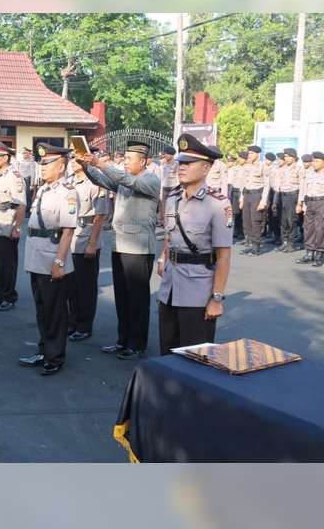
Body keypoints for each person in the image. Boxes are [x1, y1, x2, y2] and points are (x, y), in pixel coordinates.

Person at [79, 140, 161, 360]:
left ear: (143, 161)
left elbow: (123, 178)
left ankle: (137, 344)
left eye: (129, 159)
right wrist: (88, 167)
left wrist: (100, 163)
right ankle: (123, 340)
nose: (125, 162)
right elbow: (104, 181)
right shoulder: (125, 179)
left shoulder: (150, 179)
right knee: (123, 297)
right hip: (121, 245)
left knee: (137, 298)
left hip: (138, 248)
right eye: (124, 158)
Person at [156, 134, 232, 355]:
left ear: (206, 168)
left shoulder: (217, 204)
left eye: (189, 163)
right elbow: (170, 236)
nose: (182, 167)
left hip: (198, 291)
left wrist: (216, 298)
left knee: (195, 355)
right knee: (167, 350)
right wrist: (162, 257)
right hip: (170, 287)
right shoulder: (173, 198)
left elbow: (224, 256)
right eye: (181, 162)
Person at [17, 144, 78, 375]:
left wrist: (59, 262)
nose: (42, 168)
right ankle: (44, 350)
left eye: (48, 164)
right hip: (36, 256)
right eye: (41, 164)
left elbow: (67, 231)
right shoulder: (44, 190)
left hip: (52, 257)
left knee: (55, 310)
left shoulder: (67, 192)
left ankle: (55, 356)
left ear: (61, 167)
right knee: (42, 308)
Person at [66, 153, 110, 342]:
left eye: (76, 158)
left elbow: (100, 216)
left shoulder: (96, 183)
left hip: (86, 238)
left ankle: (84, 325)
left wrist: (93, 243)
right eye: (71, 158)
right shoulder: (69, 182)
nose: (72, 161)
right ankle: (72, 321)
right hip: (70, 238)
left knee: (86, 286)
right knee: (71, 286)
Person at [0, 140, 26, 312]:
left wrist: (17, 227)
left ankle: (9, 296)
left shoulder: (14, 177)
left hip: (7, 226)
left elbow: (21, 205)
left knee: (6, 264)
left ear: (5, 158)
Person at [239, 145, 270, 256]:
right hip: (247, 195)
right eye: (249, 153)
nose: (249, 155)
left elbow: (267, 185)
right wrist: (241, 199)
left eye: (252, 153)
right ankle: (251, 244)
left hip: (257, 195)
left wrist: (263, 201)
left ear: (258, 154)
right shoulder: (246, 166)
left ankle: (257, 246)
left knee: (255, 221)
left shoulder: (263, 166)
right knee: (246, 221)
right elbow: (243, 184)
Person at [295, 151, 324, 266]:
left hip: (321, 202)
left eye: (317, 161)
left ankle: (319, 254)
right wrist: (301, 203)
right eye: (313, 161)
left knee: (320, 228)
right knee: (308, 228)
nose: (314, 163)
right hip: (309, 202)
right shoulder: (309, 173)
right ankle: (309, 253)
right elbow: (303, 189)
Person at [276, 148, 302, 252]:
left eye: (288, 156)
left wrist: (300, 202)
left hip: (293, 195)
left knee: (292, 220)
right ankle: (284, 241)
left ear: (294, 157)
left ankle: (291, 243)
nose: (286, 158)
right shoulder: (282, 169)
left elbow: (302, 186)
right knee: (283, 220)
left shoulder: (299, 169)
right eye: (285, 156)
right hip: (283, 195)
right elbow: (278, 185)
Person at [159, 145, 179, 225]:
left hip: (173, 188)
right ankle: (165, 223)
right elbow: (161, 177)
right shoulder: (163, 164)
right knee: (163, 207)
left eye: (166, 154)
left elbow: (178, 177)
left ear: (171, 155)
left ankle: (173, 223)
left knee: (173, 207)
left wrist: (178, 189)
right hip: (164, 188)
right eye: (164, 154)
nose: (164, 156)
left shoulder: (177, 164)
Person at [18, 147, 36, 215]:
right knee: (21, 195)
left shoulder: (31, 162)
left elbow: (32, 173)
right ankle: (22, 209)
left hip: (27, 180)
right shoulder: (21, 161)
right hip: (21, 179)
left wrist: (31, 184)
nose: (23, 154)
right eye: (23, 153)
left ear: (29, 154)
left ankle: (27, 211)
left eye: (25, 153)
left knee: (27, 196)